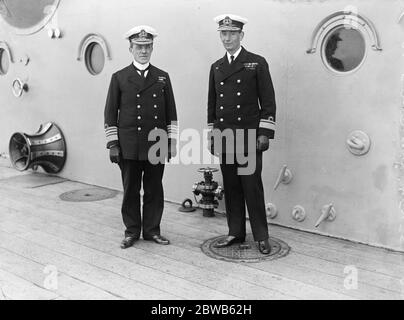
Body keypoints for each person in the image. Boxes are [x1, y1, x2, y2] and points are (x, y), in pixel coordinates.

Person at [207, 14, 276, 254]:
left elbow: (268, 102)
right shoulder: (216, 67)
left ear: (241, 35)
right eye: (224, 34)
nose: (227, 38)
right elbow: (212, 106)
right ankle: (235, 232)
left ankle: (261, 236)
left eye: (232, 33)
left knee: (251, 186)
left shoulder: (256, 63)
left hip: (249, 137)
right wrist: (212, 135)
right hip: (226, 137)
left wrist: (264, 132)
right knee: (232, 186)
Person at [104, 25, 178, 249]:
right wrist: (113, 144)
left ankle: (152, 231)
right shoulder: (119, 77)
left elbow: (171, 113)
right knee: (131, 190)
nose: (143, 51)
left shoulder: (162, 77)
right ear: (130, 48)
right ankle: (132, 231)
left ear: (152, 47)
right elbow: (110, 113)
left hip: (156, 145)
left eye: (147, 46)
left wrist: (171, 143)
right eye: (139, 46)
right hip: (129, 145)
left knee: (155, 189)